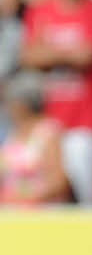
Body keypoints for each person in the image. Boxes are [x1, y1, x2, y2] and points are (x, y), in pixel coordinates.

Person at [20, 0, 92, 203]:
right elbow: (28, 55)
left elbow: (89, 55)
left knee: (86, 196)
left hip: (85, 121)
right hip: (49, 119)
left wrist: (48, 51)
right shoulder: (40, 9)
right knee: (48, 194)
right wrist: (68, 53)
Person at [0, 70, 70, 203]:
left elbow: (58, 181)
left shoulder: (48, 132)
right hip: (9, 212)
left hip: (39, 212)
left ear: (21, 105)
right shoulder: (11, 133)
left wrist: (25, 199)